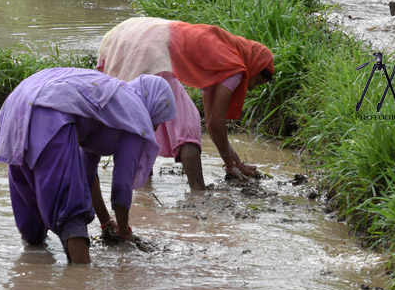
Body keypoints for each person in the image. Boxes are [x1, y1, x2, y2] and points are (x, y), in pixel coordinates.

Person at [0, 67, 176, 264]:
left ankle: (32, 273)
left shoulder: (113, 102)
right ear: (154, 105)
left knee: (33, 222)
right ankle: (81, 282)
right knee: (71, 210)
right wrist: (124, 233)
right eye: (159, 119)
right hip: (49, 108)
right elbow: (122, 184)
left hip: (18, 104)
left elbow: (87, 174)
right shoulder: (137, 116)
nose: (157, 127)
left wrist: (106, 223)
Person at [97, 17, 275, 192]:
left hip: (127, 33)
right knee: (188, 125)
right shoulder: (235, 70)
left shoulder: (224, 54)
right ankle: (198, 195)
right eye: (256, 82)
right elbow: (216, 124)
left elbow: (212, 125)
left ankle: (143, 191)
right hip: (151, 46)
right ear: (256, 66)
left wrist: (235, 163)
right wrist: (230, 164)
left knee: (143, 121)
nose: (251, 88)